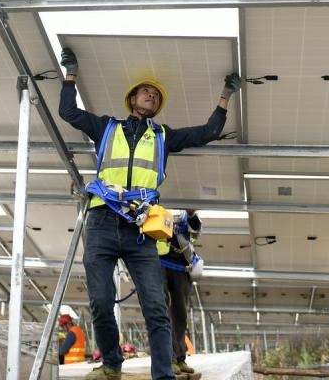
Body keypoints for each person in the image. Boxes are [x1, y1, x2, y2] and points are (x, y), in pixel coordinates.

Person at [58, 47, 240, 380]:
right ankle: (111, 365)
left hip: (140, 230)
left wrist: (226, 95)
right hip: (101, 222)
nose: (151, 96)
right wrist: (70, 73)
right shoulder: (105, 128)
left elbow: (207, 132)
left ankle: (163, 375)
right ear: (132, 99)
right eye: (146, 92)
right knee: (100, 301)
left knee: (157, 307)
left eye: (156, 95)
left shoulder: (163, 137)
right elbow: (67, 111)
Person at [160, 210, 203, 375]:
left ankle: (180, 358)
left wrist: (191, 214)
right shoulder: (155, 202)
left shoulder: (187, 213)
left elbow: (196, 232)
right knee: (162, 313)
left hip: (181, 267)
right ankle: (168, 359)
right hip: (160, 263)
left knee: (180, 315)